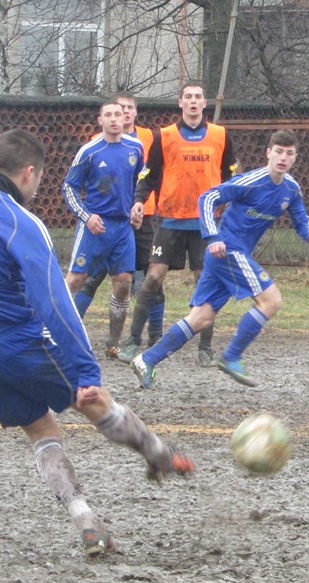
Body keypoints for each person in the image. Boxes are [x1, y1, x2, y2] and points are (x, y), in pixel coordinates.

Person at [0, 129, 194, 557]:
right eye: (39, 180)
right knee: (91, 399)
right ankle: (157, 452)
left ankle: (86, 521)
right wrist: (86, 369)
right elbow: (55, 301)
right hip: (12, 340)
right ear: (29, 173)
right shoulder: (21, 220)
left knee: (39, 426)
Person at [131, 129, 309, 389]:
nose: (283, 157)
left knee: (200, 318)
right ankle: (232, 357)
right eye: (278, 151)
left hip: (230, 255)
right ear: (268, 153)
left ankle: (146, 359)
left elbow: (301, 218)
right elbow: (208, 197)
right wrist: (212, 237)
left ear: (295, 158)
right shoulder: (252, 181)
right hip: (228, 250)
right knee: (271, 300)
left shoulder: (290, 189)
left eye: (289, 153)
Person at [118, 80, 238, 368]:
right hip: (171, 218)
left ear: (204, 103)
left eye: (198, 97)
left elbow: (231, 175)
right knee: (154, 277)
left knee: (205, 282)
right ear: (180, 103)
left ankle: (205, 348)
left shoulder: (220, 135)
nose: (193, 102)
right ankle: (133, 339)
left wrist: (234, 202)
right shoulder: (166, 136)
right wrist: (138, 199)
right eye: (188, 97)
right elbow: (149, 173)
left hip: (206, 223)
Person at [74, 92, 165, 348]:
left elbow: (150, 174)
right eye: (117, 109)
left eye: (128, 108)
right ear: (104, 117)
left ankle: (153, 334)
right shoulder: (95, 144)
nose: (122, 113)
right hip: (104, 221)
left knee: (150, 276)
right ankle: (69, 329)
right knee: (91, 278)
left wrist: (142, 203)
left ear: (135, 113)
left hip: (141, 218)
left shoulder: (146, 138)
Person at [62, 101, 144, 358]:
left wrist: (136, 207)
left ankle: (112, 343)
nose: (114, 119)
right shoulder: (89, 151)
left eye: (118, 114)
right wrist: (86, 217)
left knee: (123, 283)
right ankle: (55, 334)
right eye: (108, 115)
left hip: (122, 228)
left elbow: (139, 182)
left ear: (126, 117)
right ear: (100, 120)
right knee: (76, 280)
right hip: (95, 227)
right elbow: (69, 187)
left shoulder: (136, 148)